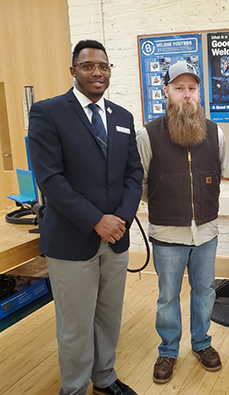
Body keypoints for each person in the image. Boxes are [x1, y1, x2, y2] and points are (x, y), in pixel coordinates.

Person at [28, 40, 143, 395]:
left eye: (104, 66)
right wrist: (97, 220)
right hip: (71, 239)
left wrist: (119, 219)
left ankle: (105, 379)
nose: (98, 72)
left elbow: (134, 174)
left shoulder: (122, 117)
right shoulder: (48, 113)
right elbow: (50, 179)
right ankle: (74, 389)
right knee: (76, 325)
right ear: (74, 70)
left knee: (108, 318)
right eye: (89, 66)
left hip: (115, 238)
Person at [136, 61, 226, 384]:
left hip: (206, 232)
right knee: (167, 296)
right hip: (166, 233)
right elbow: (142, 184)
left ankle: (202, 343)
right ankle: (169, 350)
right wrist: (168, 202)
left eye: (191, 88)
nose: (186, 95)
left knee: (205, 291)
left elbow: (219, 171)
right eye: (178, 89)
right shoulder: (148, 134)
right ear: (166, 92)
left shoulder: (215, 133)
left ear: (198, 93)